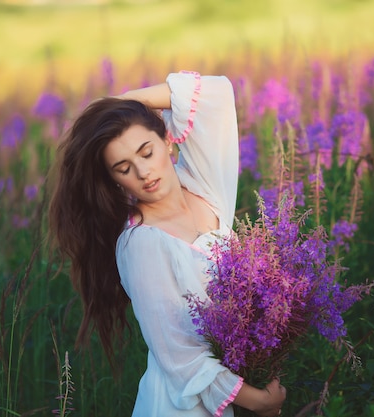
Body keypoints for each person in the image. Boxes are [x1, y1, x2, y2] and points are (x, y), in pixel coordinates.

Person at [48, 71, 286, 417]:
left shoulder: (204, 190)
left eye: (147, 151)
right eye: (123, 168)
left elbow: (216, 95)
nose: (144, 172)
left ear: (168, 140)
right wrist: (259, 402)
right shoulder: (141, 242)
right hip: (182, 405)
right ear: (113, 180)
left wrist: (127, 100)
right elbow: (182, 359)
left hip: (233, 388)